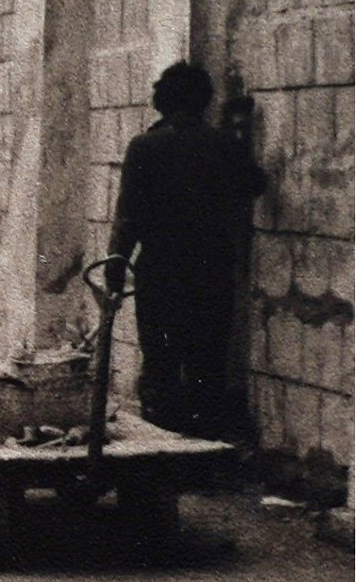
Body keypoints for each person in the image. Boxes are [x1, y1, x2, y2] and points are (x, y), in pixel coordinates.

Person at [106, 62, 266, 442]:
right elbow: (255, 184)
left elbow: (127, 217)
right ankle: (202, 458)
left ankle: (160, 457)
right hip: (213, 271)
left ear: (162, 101)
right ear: (203, 101)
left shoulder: (145, 146)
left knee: (161, 366)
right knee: (207, 365)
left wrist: (114, 272)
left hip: (160, 274)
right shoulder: (224, 144)